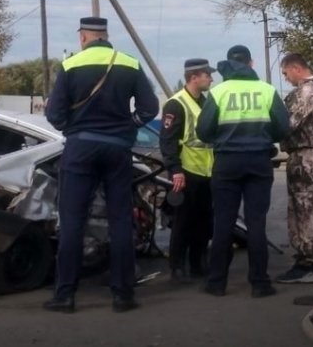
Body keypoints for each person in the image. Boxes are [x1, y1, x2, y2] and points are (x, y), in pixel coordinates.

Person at [43, 16, 159, 314]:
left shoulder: (70, 66)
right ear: (106, 36)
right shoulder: (129, 63)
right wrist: (128, 125)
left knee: (72, 222)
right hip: (118, 149)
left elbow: (54, 115)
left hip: (80, 149)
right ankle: (122, 295)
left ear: (83, 37)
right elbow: (150, 107)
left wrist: (74, 126)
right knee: (120, 220)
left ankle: (65, 296)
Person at [196, 45, 290, 298]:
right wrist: (263, 137)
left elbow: (203, 132)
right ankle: (260, 283)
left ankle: (217, 283)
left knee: (223, 223)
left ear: (228, 64)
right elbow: (283, 128)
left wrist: (223, 137)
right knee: (256, 223)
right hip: (259, 161)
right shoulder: (267, 90)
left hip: (227, 163)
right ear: (251, 64)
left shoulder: (219, 92)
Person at [275, 53, 313, 284]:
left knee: (302, 209)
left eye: (285, 73)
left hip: (304, 155)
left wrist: (269, 131)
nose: (286, 78)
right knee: (312, 206)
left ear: (296, 68)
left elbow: (290, 122)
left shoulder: (307, 90)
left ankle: (306, 262)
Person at [160, 59, 216, 282]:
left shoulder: (206, 102)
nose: (211, 78)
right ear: (194, 77)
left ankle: (198, 263)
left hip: (207, 171)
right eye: (207, 75)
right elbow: (167, 140)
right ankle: (177, 267)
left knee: (204, 221)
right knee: (183, 221)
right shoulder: (176, 104)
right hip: (185, 171)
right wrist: (175, 170)